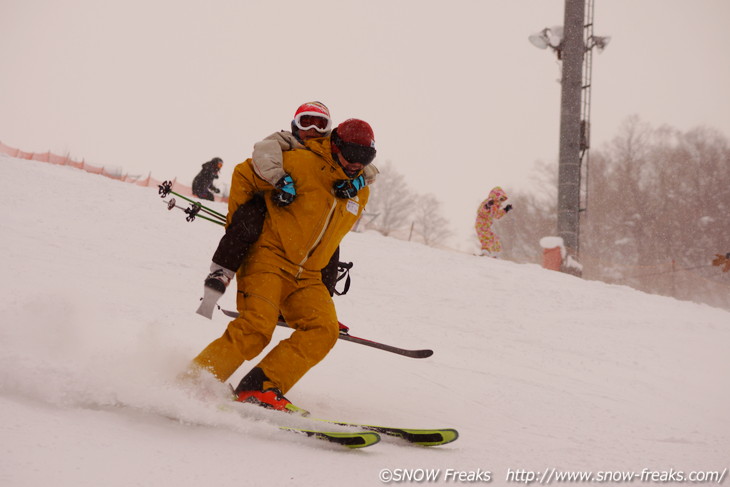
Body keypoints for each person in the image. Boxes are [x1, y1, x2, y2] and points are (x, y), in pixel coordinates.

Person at [186, 118, 378, 411]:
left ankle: (260, 387)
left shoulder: (359, 189)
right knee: (256, 328)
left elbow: (330, 235)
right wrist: (241, 229)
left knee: (323, 331)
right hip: (269, 260)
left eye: (365, 159)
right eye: (352, 157)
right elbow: (243, 174)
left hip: (308, 276)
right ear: (335, 146)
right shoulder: (300, 162)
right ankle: (194, 383)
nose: (356, 165)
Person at [196, 102, 377, 318]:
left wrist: (356, 183)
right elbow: (264, 154)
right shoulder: (285, 142)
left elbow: (368, 168)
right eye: (306, 122)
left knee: (327, 248)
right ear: (295, 125)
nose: (312, 130)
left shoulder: (331, 152)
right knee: (248, 222)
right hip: (272, 200)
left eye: (320, 125)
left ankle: (319, 305)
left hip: (307, 212)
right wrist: (280, 180)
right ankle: (221, 273)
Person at [475, 186, 513, 257]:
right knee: (485, 237)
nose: (500, 201)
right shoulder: (488, 202)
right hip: (481, 224)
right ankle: (485, 251)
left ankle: (496, 253)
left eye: (502, 200)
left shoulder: (495, 206)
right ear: (495, 196)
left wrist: (505, 210)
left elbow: (497, 215)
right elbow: (480, 211)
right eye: (500, 199)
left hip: (487, 225)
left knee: (494, 238)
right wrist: (487, 206)